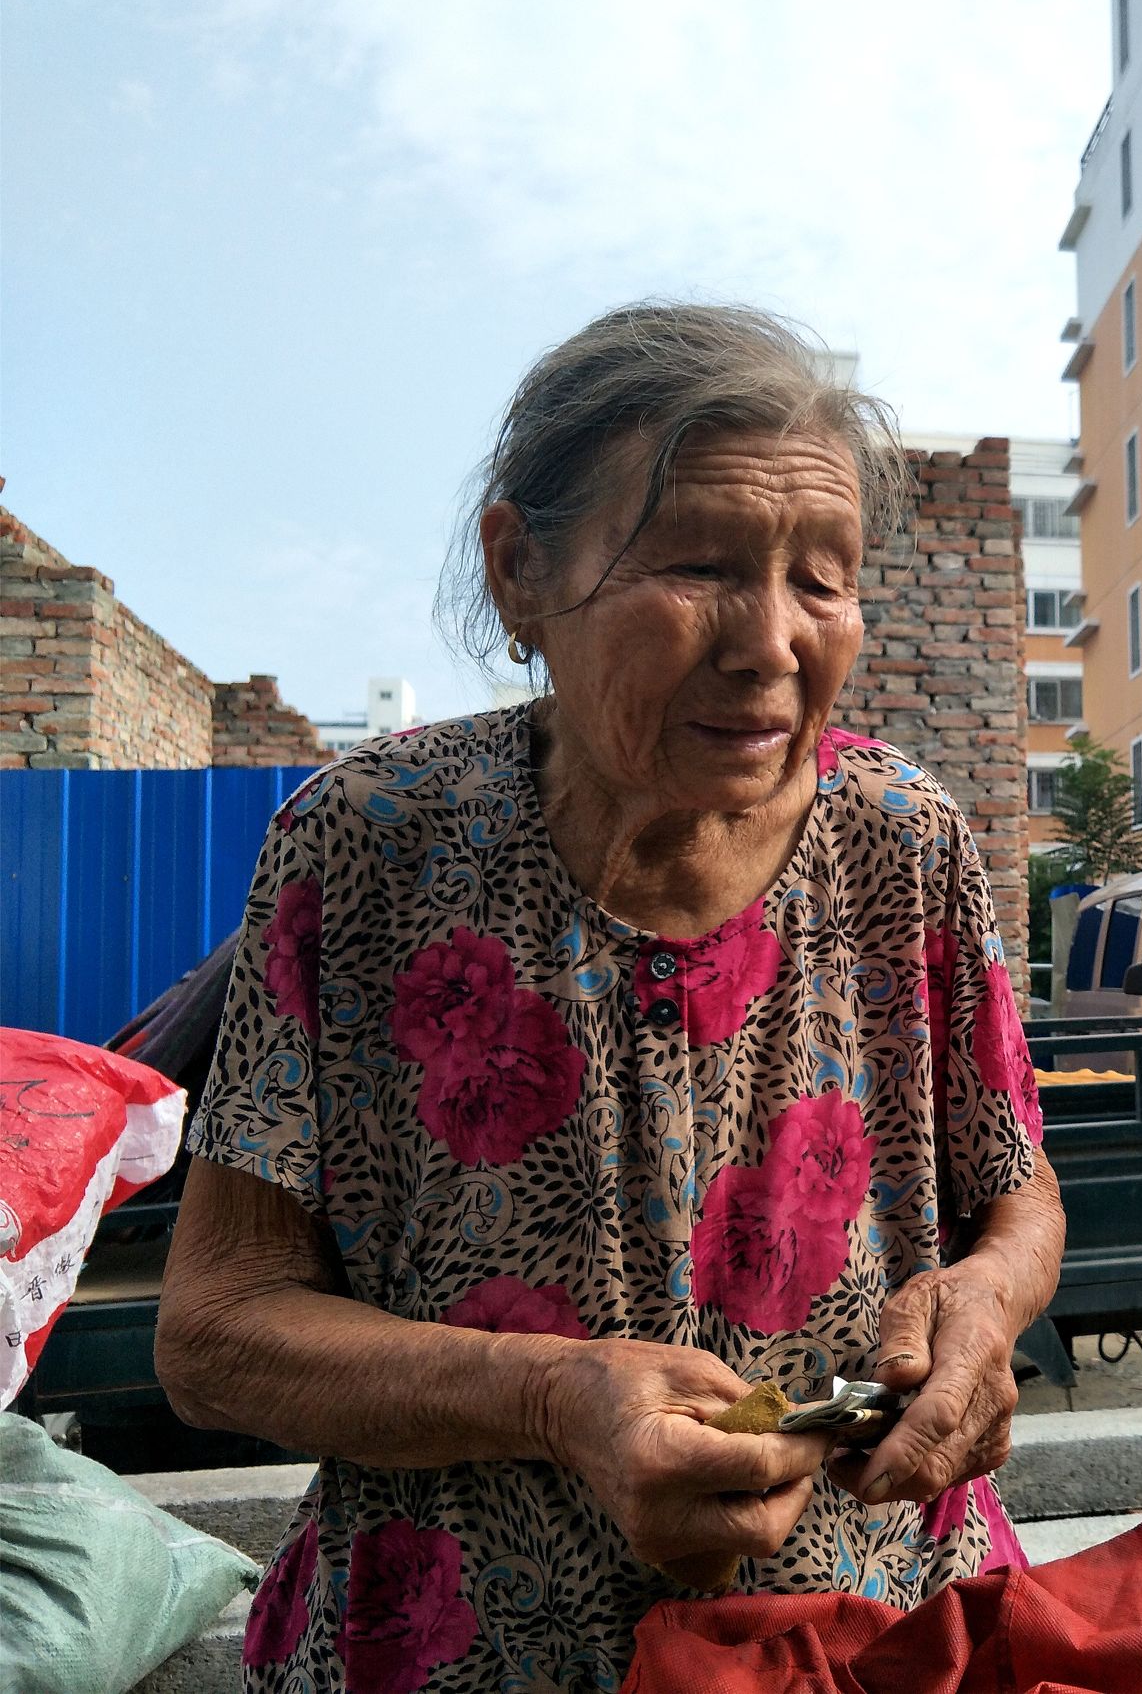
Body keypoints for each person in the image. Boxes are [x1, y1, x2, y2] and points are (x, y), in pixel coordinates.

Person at [154, 301, 1066, 1693]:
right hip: (463, 1649)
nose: (772, 642)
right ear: (521, 569)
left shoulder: (905, 840)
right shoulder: (371, 844)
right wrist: (548, 1397)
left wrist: (985, 1308)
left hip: (871, 1634)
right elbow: (217, 1333)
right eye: (700, 563)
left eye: (822, 581)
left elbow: (1017, 1196)